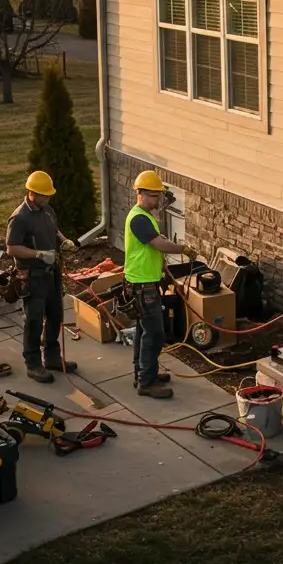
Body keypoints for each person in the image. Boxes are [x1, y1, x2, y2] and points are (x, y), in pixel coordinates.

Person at [125, 170, 196, 399]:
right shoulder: (138, 218)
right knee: (154, 333)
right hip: (142, 284)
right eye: (154, 196)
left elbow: (152, 248)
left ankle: (143, 373)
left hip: (145, 280)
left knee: (143, 331)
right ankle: (146, 381)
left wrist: (163, 269)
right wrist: (183, 249)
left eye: (158, 196)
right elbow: (157, 244)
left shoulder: (145, 217)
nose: (157, 201)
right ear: (140, 193)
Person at [5, 170, 81, 383]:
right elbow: (12, 248)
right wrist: (38, 254)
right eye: (44, 195)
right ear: (32, 194)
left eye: (49, 196)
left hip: (52, 272)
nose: (48, 199)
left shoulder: (47, 210)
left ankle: (53, 357)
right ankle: (33, 364)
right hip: (33, 276)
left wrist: (64, 241)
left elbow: (55, 230)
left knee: (56, 314)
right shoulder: (20, 218)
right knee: (35, 320)